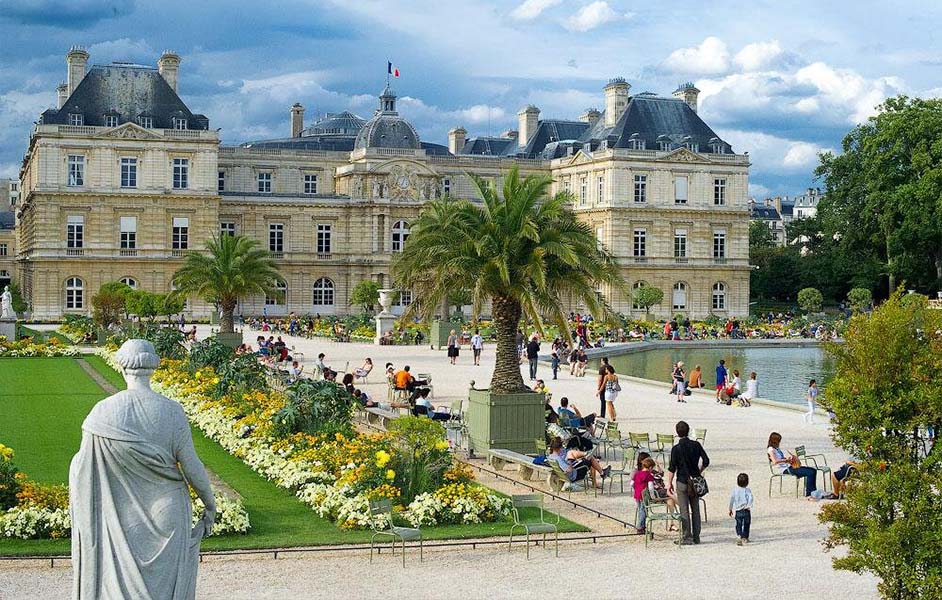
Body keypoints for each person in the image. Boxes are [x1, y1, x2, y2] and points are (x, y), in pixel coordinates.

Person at [70, 340, 215, 599]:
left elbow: (82, 469)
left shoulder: (102, 413)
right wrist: (210, 504)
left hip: (121, 515)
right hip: (167, 512)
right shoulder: (171, 411)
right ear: (153, 368)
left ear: (122, 367)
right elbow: (192, 466)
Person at [667, 420, 710, 545]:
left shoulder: (676, 449)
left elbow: (672, 468)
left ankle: (687, 536)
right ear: (688, 430)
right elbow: (706, 460)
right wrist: (699, 471)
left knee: (684, 510)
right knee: (695, 509)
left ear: (677, 433)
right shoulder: (696, 445)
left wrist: (669, 483)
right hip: (695, 480)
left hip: (682, 480)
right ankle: (696, 537)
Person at [767, 432, 817, 498]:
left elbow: (781, 459)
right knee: (810, 472)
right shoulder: (771, 449)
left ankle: (813, 491)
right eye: (778, 441)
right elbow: (775, 461)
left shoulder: (776, 449)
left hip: (788, 466)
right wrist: (786, 460)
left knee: (813, 470)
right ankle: (809, 494)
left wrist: (789, 459)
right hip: (785, 469)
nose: (779, 442)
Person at [633, 457, 657, 534]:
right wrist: (653, 497)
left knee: (640, 509)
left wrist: (636, 488)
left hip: (637, 494)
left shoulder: (637, 473)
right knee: (644, 511)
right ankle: (640, 527)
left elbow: (631, 484)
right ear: (650, 467)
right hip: (644, 495)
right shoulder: (649, 475)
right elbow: (650, 487)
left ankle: (640, 525)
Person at [729, 472, 754, 545]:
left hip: (738, 510)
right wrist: (749, 505)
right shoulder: (747, 490)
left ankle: (739, 535)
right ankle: (745, 537)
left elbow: (732, 499)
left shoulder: (735, 490)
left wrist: (730, 509)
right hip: (746, 510)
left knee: (738, 523)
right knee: (747, 524)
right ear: (747, 482)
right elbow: (751, 498)